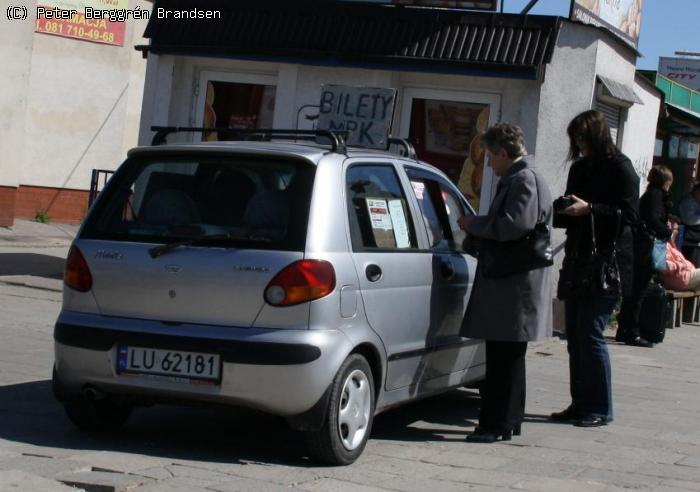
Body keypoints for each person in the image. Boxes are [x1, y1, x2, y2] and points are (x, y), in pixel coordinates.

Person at [457, 123, 553, 443]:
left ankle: (495, 424)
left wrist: (475, 225)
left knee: (503, 358)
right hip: (513, 283)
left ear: (502, 152)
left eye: (490, 158)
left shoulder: (523, 179)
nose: (489, 165)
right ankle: (508, 421)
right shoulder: (524, 176)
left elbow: (514, 226)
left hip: (513, 284)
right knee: (508, 357)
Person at [552, 110, 640, 427]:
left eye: (582, 137)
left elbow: (630, 216)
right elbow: (570, 212)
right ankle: (581, 403)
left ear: (595, 136)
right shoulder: (580, 167)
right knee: (575, 335)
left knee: (590, 333)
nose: (578, 143)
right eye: (575, 138)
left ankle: (600, 407)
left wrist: (590, 209)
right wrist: (562, 209)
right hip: (578, 259)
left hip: (607, 262)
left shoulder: (621, 167)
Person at [616, 165, 674, 347]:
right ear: (666, 181)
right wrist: (667, 231)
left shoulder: (650, 194)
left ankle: (624, 329)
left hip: (638, 247)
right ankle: (631, 332)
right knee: (638, 291)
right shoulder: (656, 196)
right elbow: (653, 219)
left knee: (632, 291)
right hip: (645, 250)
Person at [679, 183, 700, 267]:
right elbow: (689, 219)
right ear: (696, 191)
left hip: (695, 241)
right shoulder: (688, 201)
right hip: (689, 241)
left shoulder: (696, 202)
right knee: (691, 267)